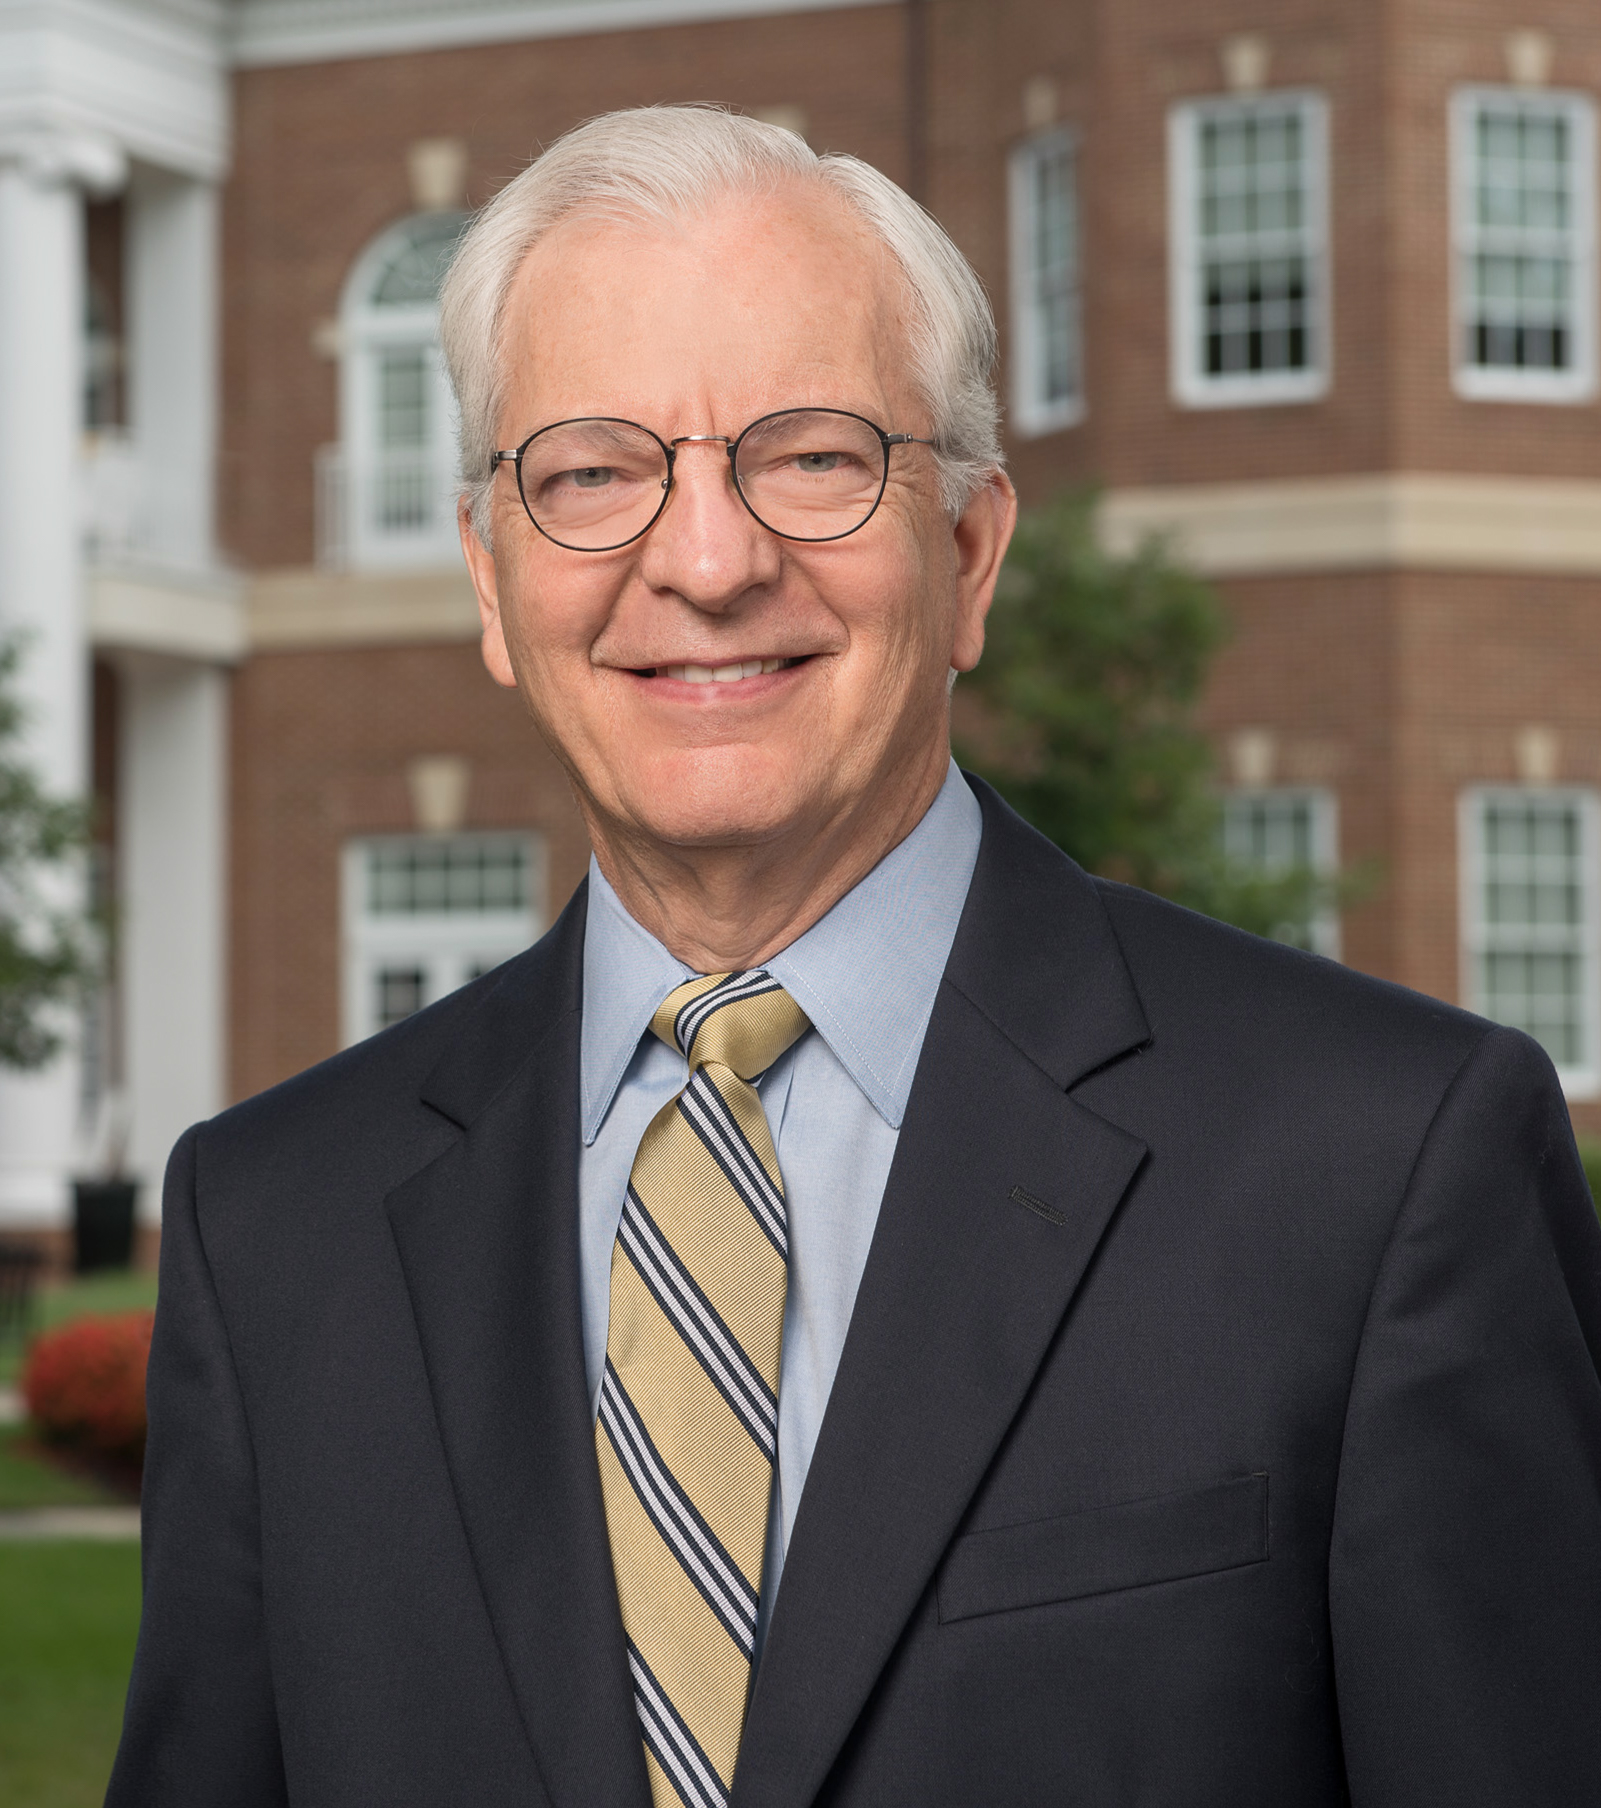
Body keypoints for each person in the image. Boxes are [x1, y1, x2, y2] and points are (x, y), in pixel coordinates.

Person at [108, 106, 1601, 1808]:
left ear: (965, 551)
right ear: (491, 576)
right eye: (592, 472)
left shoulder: (1380, 1165)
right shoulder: (276, 1227)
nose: (707, 558)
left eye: (810, 455)